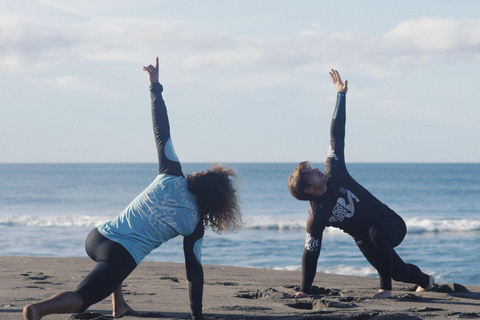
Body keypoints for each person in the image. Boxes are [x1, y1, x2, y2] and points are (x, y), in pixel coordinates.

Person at [23, 57, 241, 320]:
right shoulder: (194, 224)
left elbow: (161, 129)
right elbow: (194, 272)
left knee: (116, 267)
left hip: (97, 236)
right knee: (83, 298)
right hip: (119, 254)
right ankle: (37, 310)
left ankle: (120, 306)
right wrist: (197, 315)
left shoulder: (171, 173)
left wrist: (155, 87)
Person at [287, 70, 434, 299]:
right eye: (310, 173)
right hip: (364, 239)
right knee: (399, 271)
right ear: (309, 189)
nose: (317, 169)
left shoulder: (334, 170)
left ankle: (385, 289)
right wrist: (304, 291)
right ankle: (426, 281)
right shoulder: (316, 216)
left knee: (377, 232)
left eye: (313, 168)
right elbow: (311, 251)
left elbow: (337, 135)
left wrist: (340, 96)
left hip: (390, 224)